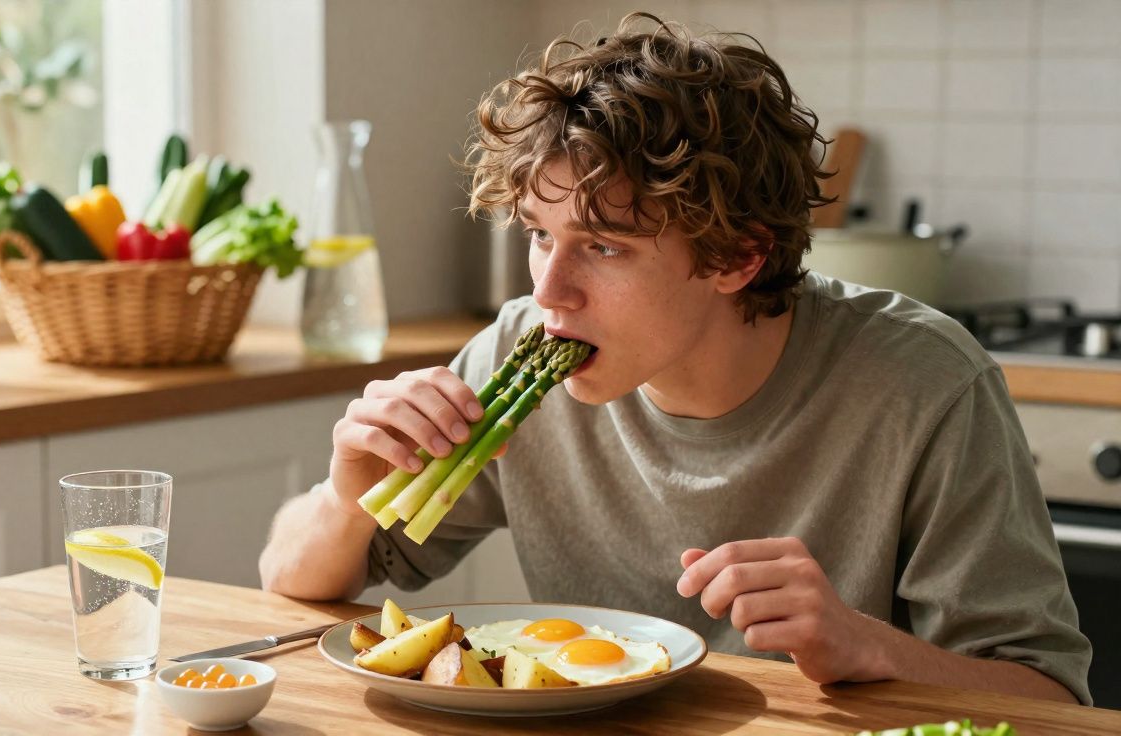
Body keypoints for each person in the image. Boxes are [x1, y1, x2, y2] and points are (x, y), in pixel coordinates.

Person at [259, 13, 1091, 705]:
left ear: (737, 258)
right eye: (540, 237)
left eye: (605, 247)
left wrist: (863, 646)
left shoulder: (926, 382)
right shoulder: (519, 353)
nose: (550, 290)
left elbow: (1052, 698)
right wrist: (345, 494)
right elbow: (289, 583)